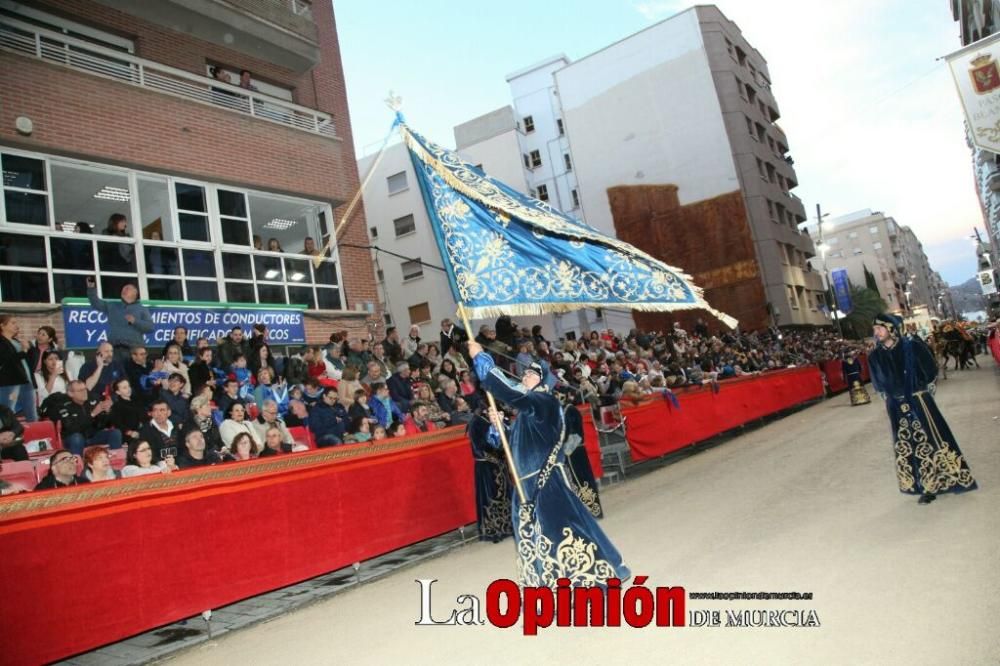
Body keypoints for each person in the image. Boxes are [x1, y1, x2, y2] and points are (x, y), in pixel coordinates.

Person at [468, 339, 629, 587]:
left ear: (543, 381)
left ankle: (583, 580)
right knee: (534, 538)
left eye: (532, 374)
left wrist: (481, 358)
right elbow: (512, 446)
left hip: (545, 483)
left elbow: (508, 392)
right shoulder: (527, 413)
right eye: (526, 372)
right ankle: (543, 586)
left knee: (560, 531)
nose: (525, 376)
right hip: (525, 486)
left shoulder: (544, 402)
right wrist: (501, 427)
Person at [868, 313, 977, 505]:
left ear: (891, 329)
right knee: (907, 445)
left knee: (931, 439)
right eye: (875, 329)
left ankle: (943, 481)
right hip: (895, 406)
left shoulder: (912, 347)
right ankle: (922, 485)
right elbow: (878, 383)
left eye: (879, 328)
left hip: (919, 401)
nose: (876, 333)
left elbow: (930, 370)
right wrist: (890, 396)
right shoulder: (875, 356)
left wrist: (921, 390)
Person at [466, 412, 513, 543]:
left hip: (500, 465)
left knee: (505, 496)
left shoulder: (499, 418)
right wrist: (496, 459)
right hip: (486, 467)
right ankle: (494, 530)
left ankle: (508, 526)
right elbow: (478, 448)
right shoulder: (476, 422)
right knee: (490, 497)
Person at [86, 278, 153, 367]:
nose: (123, 290)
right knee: (115, 377)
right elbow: (96, 303)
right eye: (123, 289)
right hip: (114, 350)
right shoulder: (112, 306)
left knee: (132, 377)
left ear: (135, 293)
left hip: (133, 351)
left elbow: (150, 327)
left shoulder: (142, 309)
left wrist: (135, 321)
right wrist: (91, 289)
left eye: (127, 289)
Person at [56, 380, 122, 455]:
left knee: (115, 433)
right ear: (70, 393)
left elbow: (103, 424)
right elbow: (72, 428)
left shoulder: (92, 400)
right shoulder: (63, 406)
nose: (84, 392)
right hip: (73, 439)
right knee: (77, 438)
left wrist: (107, 412)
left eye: (85, 389)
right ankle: (78, 464)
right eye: (80, 390)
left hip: (92, 436)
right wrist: (92, 414)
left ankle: (118, 461)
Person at [0, 314, 37, 422]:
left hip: (25, 380)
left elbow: (28, 361)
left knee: (32, 413)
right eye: (13, 323)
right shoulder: (1, 341)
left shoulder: (16, 341)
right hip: (10, 383)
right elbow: (7, 360)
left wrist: (29, 350)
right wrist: (24, 351)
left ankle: (36, 436)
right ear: (2, 325)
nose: (16, 325)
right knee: (8, 412)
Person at [109, 377, 145, 444]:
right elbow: (118, 424)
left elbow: (144, 417)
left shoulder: (136, 401)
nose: (128, 389)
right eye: (124, 388)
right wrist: (129, 432)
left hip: (142, 432)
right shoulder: (117, 406)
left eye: (128, 386)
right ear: (118, 392)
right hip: (129, 436)